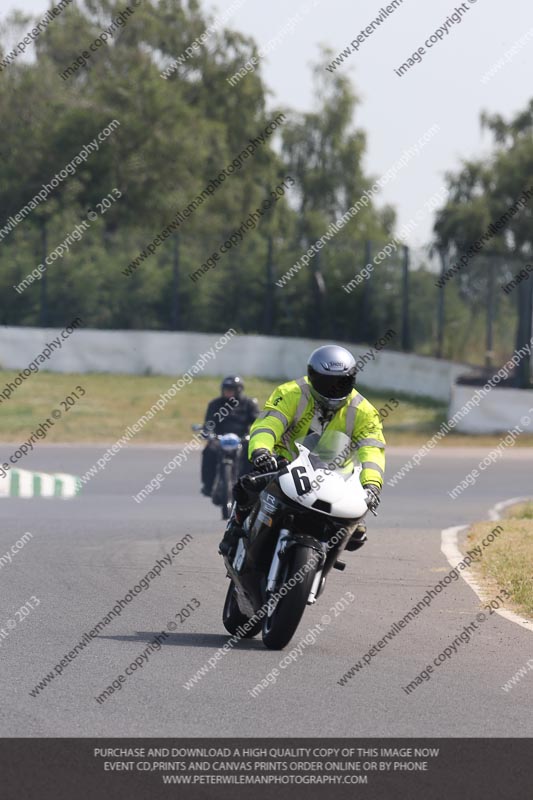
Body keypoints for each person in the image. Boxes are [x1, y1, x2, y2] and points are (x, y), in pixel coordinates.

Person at [218, 344, 385, 555]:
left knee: (356, 532)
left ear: (352, 380)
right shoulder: (291, 393)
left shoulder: (364, 411)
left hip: (335, 476)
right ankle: (235, 528)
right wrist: (261, 451)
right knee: (247, 487)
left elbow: (372, 450)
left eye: (341, 382)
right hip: (284, 463)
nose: (333, 388)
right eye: (326, 382)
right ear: (312, 377)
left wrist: (372, 484)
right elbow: (268, 424)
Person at [201, 376, 259, 496]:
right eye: (225, 389)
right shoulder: (215, 404)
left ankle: (252, 484)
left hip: (242, 439)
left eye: (230, 389)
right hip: (220, 439)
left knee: (253, 452)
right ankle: (208, 485)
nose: (227, 392)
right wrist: (208, 432)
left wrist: (253, 434)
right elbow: (209, 423)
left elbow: (257, 423)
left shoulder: (249, 404)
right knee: (209, 450)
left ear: (238, 390)